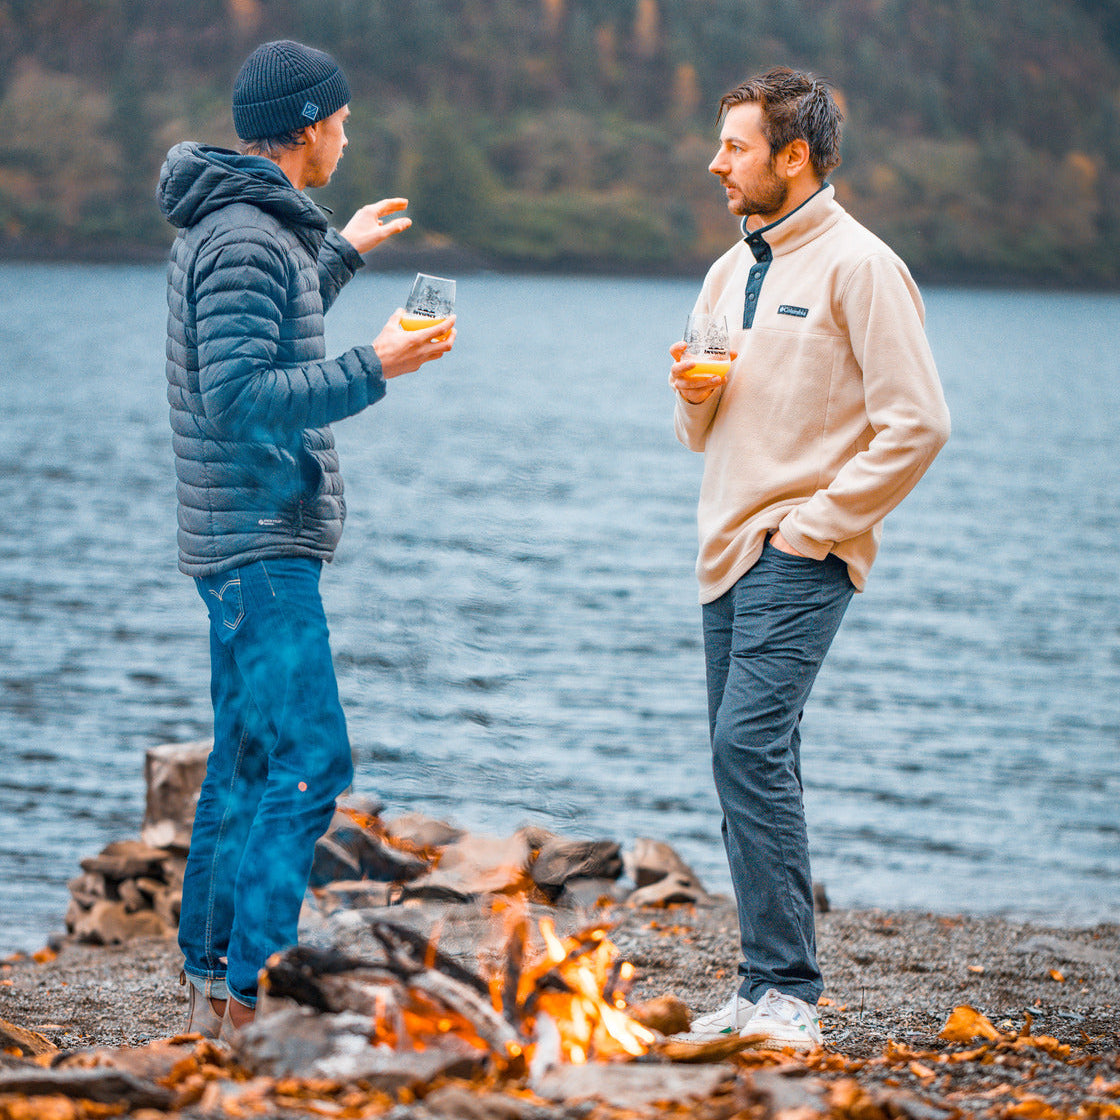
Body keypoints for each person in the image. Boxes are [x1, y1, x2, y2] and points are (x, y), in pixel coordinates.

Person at [156, 39, 456, 1040]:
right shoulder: (246, 235)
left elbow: (270, 330)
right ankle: (255, 993)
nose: (348, 133)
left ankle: (211, 988)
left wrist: (345, 253)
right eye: (343, 118)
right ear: (309, 124)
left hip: (241, 540)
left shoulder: (249, 226)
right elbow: (241, 398)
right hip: (260, 539)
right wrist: (376, 364)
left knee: (245, 761)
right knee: (308, 765)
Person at [669, 67, 949, 1050]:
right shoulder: (722, 271)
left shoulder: (860, 266)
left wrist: (819, 524)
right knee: (744, 757)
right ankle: (757, 992)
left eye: (735, 146)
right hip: (723, 546)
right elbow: (695, 431)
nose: (717, 162)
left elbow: (917, 424)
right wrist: (694, 391)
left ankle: (787, 994)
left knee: (747, 746)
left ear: (793, 157)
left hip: (799, 547)